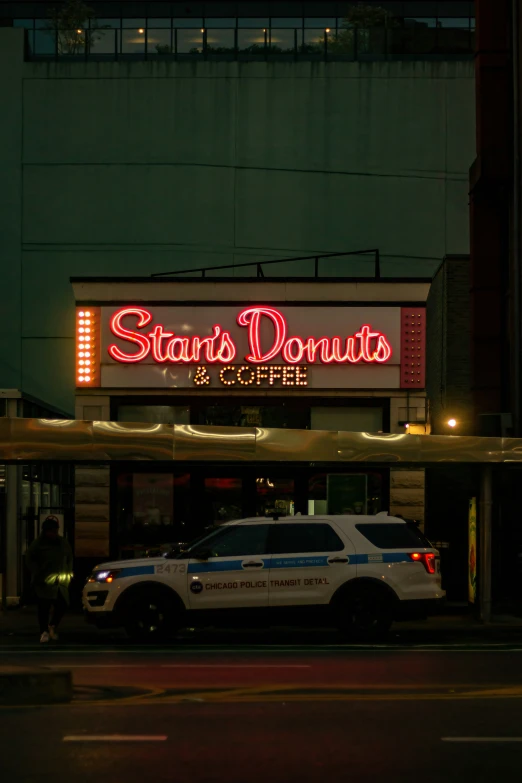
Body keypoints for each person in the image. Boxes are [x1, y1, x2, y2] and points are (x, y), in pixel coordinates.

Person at [25, 516, 73, 644]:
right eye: (51, 531)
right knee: (43, 608)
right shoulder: (38, 544)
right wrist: (37, 572)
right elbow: (29, 559)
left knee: (62, 604)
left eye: (55, 531)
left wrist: (67, 572)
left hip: (59, 582)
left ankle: (52, 626)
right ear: (45, 532)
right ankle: (44, 631)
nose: (54, 534)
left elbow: (69, 558)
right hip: (43, 582)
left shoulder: (62, 543)